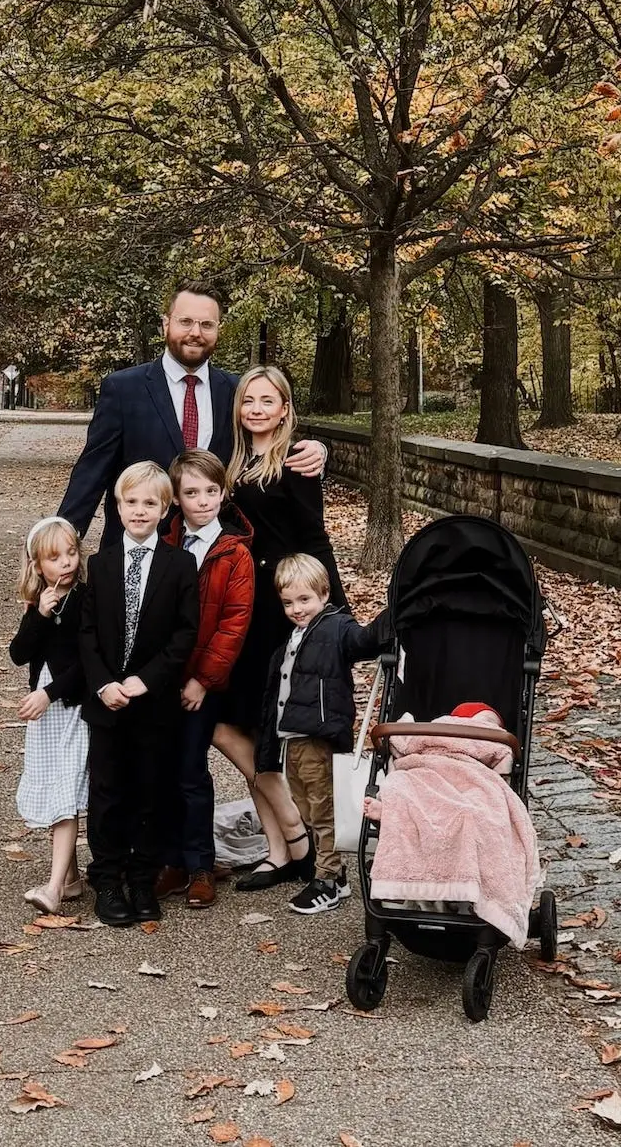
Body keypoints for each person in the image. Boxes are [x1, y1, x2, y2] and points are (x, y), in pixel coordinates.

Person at [58, 281, 326, 539]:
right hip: (141, 549)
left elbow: (268, 442)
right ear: (166, 324)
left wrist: (319, 451)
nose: (196, 333)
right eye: (185, 322)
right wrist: (61, 536)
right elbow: (92, 471)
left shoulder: (236, 391)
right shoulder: (123, 389)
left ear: (217, 329)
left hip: (215, 557)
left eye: (206, 324)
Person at [219, 364, 349, 892]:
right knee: (235, 727)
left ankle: (293, 844)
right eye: (248, 399)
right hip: (241, 606)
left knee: (268, 731)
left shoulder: (295, 462)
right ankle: (284, 846)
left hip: (279, 610)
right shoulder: (232, 461)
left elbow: (313, 539)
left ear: (285, 409)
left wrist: (333, 611)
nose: (255, 408)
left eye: (267, 401)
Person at [75, 461, 200, 929]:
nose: (140, 510)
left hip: (154, 700)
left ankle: (142, 877)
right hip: (107, 701)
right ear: (118, 505)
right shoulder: (101, 563)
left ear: (167, 510)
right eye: (132, 502)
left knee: (151, 791)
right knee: (108, 792)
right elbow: (87, 634)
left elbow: (185, 634)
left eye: (151, 503)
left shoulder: (179, 564)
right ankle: (107, 877)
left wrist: (146, 679)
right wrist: (105, 683)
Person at [156, 448, 255, 910]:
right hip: (160, 679)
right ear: (175, 498)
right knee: (162, 769)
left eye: (211, 491)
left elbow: (233, 625)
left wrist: (201, 680)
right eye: (191, 492)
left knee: (192, 771)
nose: (203, 500)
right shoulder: (164, 543)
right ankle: (169, 858)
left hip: (202, 684)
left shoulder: (234, 554)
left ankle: (199, 863)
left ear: (223, 492)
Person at [262, 554, 379, 915]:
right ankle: (334, 874)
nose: (296, 609)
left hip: (318, 735)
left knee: (322, 806)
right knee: (305, 806)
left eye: (304, 600)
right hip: (293, 737)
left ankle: (328, 877)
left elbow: (365, 641)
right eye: (288, 602)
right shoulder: (293, 639)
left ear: (324, 594)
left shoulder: (336, 627)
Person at [8, 516, 91, 915]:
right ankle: (71, 878)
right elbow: (19, 653)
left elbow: (89, 664)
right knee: (56, 787)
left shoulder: (87, 599)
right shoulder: (40, 601)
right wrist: (38, 614)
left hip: (72, 706)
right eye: (55, 557)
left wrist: (49, 693)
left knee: (65, 795)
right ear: (38, 565)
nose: (66, 563)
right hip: (46, 711)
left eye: (71, 553)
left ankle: (55, 888)